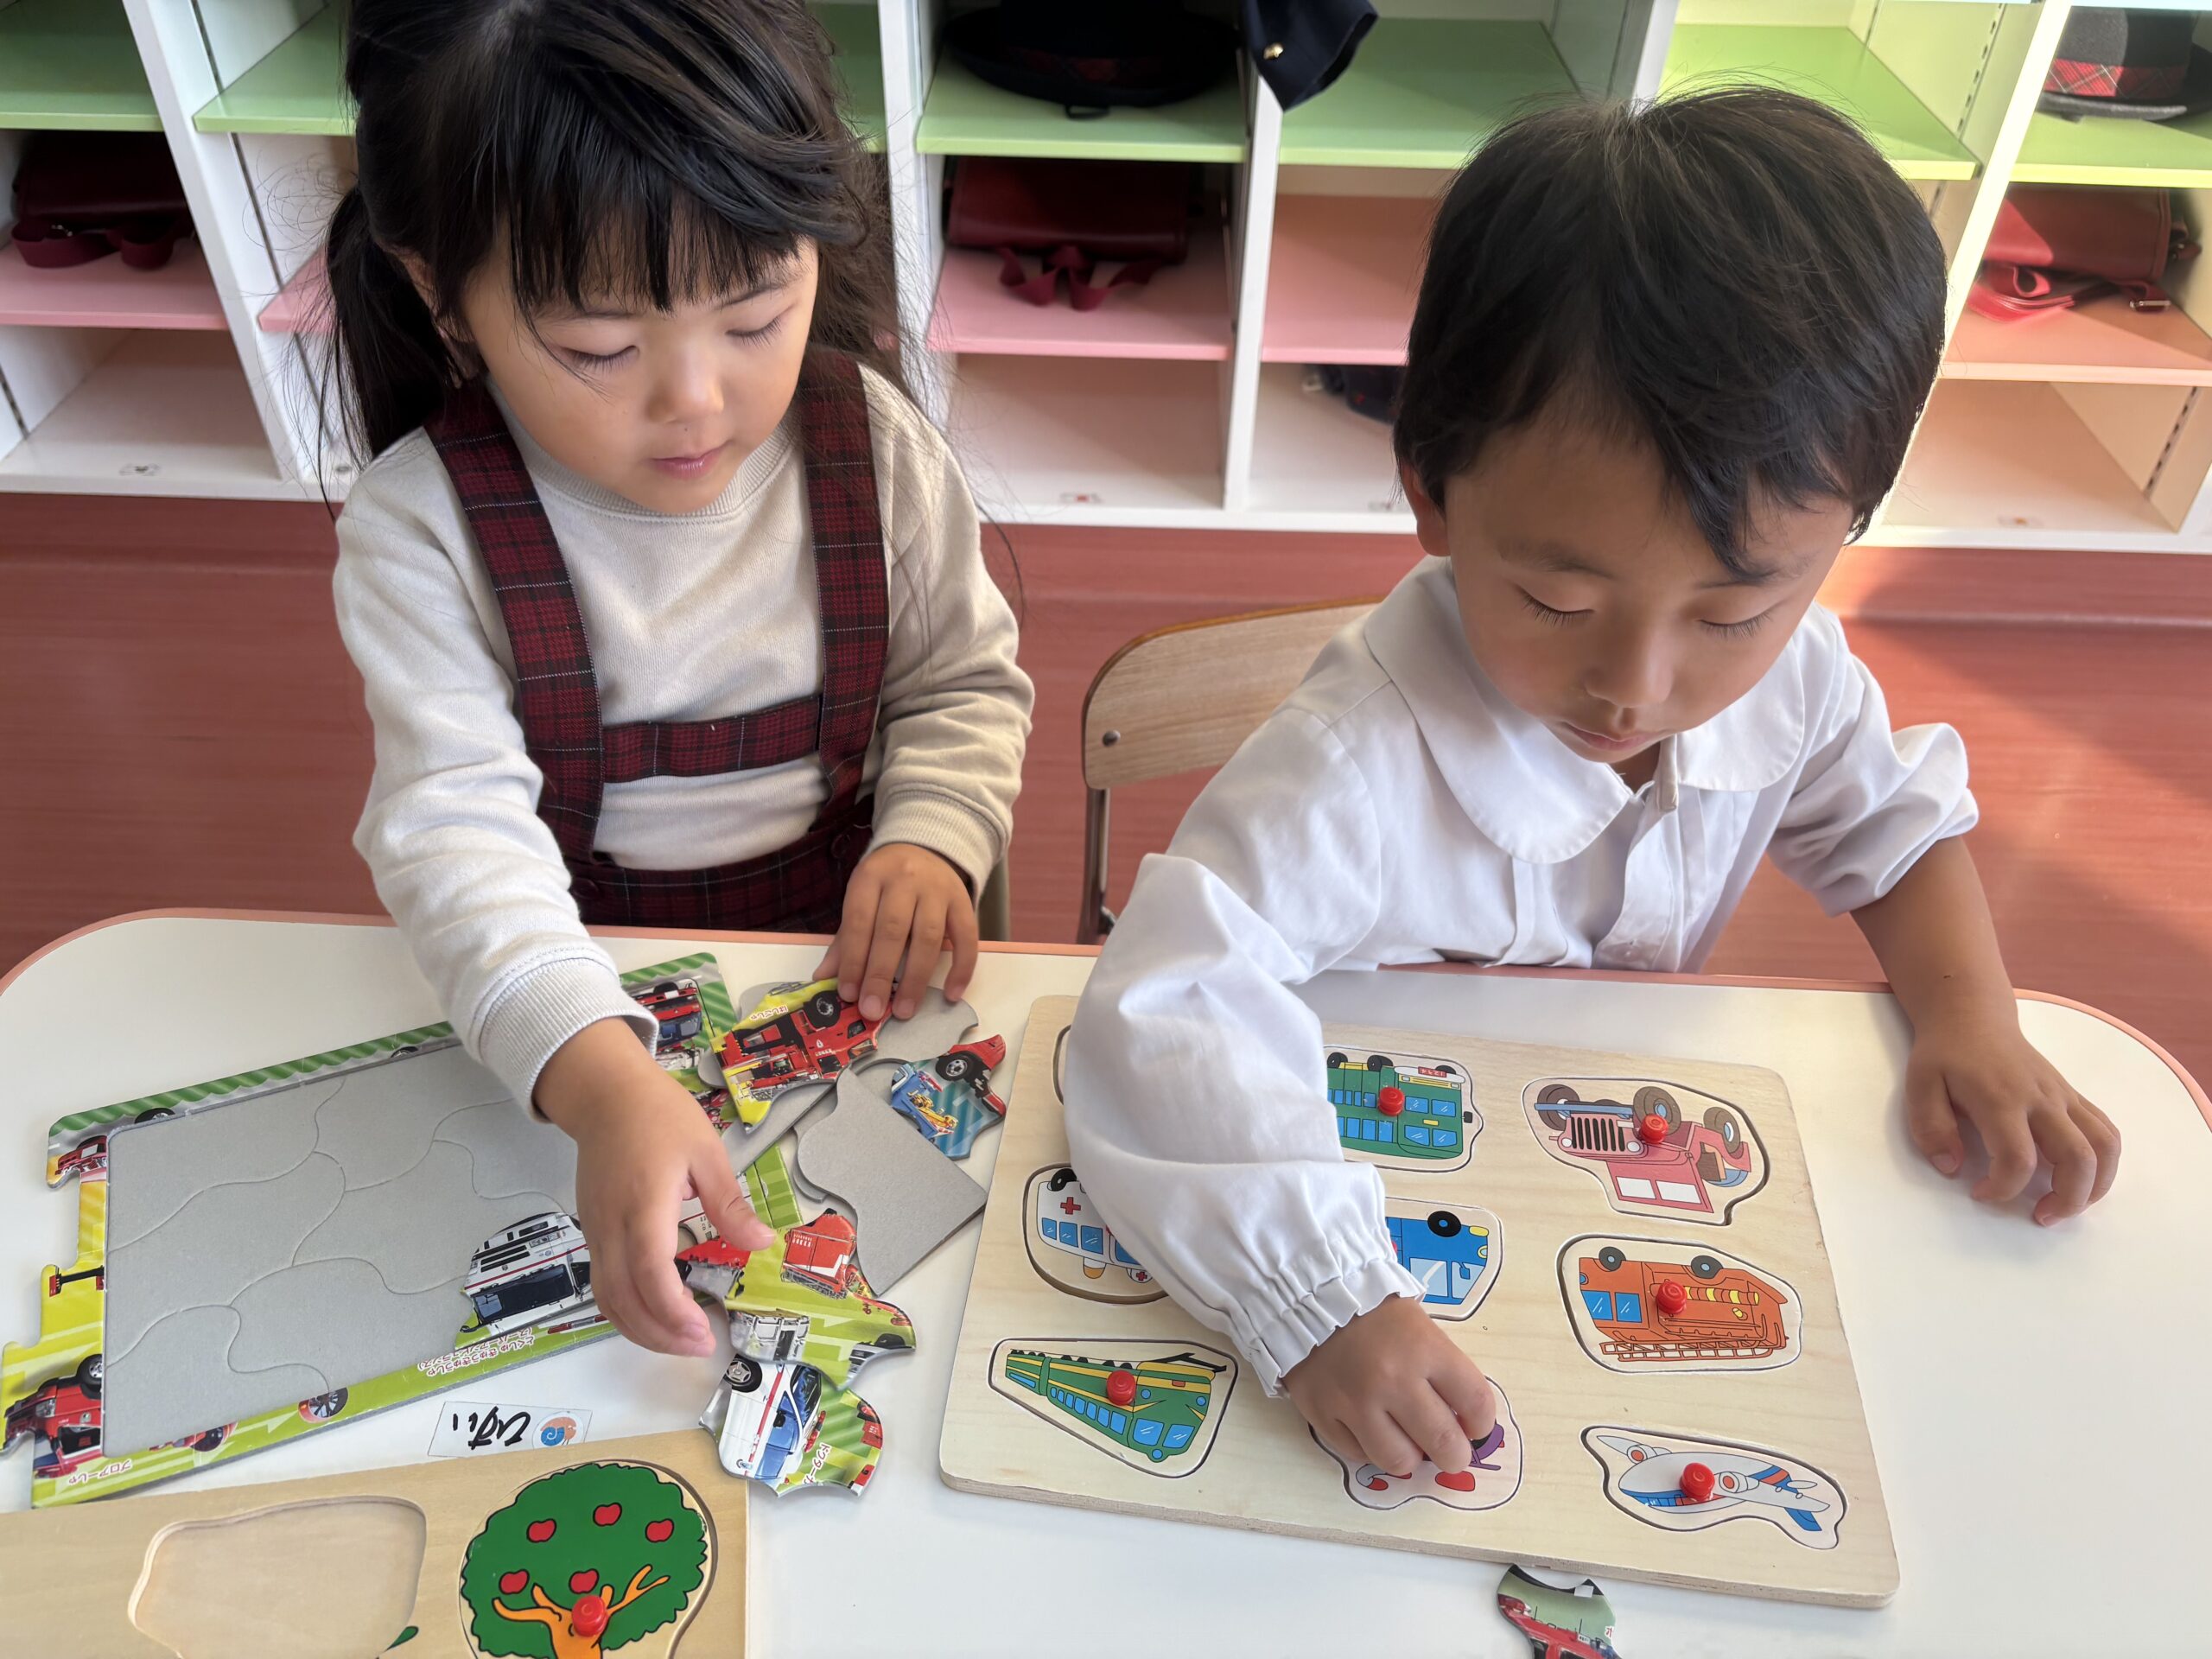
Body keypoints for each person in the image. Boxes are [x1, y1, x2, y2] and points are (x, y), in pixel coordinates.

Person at [1062, 90, 2120, 1487]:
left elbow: (1892, 827)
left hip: (1604, 1184)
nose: (1636, 685)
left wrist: (1972, 1014)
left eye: (1734, 613)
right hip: (1383, 1214)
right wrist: (1319, 1305)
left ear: (1844, 536)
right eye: (1559, 602)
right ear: (1432, 493)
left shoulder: (1799, 675)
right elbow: (1160, 1007)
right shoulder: (1350, 762)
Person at [327, 0, 1033, 1359]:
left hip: (841, 985)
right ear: (440, 292)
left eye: (757, 313)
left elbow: (961, 686)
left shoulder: (873, 449)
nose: (698, 399)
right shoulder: (425, 529)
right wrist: (598, 1082)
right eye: (600, 348)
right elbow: (455, 832)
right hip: (576, 1000)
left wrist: (936, 831)